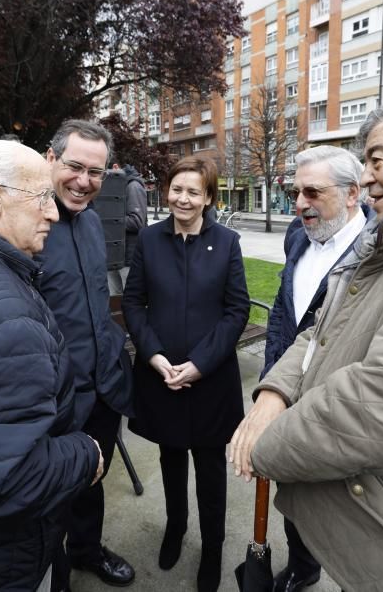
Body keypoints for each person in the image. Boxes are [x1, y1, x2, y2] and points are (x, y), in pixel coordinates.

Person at [230, 89, 383, 592]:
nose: (367, 174)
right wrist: (272, 394)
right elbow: (315, 329)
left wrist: (262, 446)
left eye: (377, 159)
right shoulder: (378, 243)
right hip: (341, 497)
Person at [0, 141, 102, 592]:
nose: (54, 212)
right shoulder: (4, 323)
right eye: (41, 197)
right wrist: (87, 454)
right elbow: (6, 479)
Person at [122, 156, 250, 592]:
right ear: (166, 191)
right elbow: (134, 302)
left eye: (194, 191)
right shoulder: (150, 239)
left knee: (210, 469)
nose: (183, 198)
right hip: (160, 376)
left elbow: (237, 310)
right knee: (171, 457)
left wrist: (199, 364)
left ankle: (212, 546)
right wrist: (154, 356)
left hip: (210, 379)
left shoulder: (228, 241)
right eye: (177, 188)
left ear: (209, 197)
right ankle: (175, 527)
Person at [263, 146, 371, 592]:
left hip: (344, 412)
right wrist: (271, 387)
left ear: (352, 194)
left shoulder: (378, 249)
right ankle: (303, 567)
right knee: (295, 499)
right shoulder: (295, 234)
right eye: (295, 192)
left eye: (312, 192)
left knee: (349, 513)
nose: (300, 203)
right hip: (288, 404)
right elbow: (280, 314)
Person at [38, 120, 135, 590]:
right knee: (49, 499)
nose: (84, 181)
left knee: (92, 479)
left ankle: (86, 550)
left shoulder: (94, 222)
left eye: (96, 173)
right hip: (52, 397)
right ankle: (54, 575)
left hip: (101, 388)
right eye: (75, 166)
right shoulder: (28, 222)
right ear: (50, 159)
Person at [111, 160, 147, 286]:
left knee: (129, 298)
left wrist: (109, 221)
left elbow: (137, 221)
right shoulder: (116, 186)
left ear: (115, 167)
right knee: (114, 301)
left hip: (129, 258)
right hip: (114, 257)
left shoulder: (133, 186)